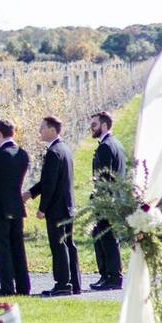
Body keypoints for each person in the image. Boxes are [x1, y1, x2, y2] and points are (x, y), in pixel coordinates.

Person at [23, 116, 80, 297]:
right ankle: (74, 283)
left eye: (42, 128)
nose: (40, 131)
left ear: (52, 130)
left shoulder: (53, 152)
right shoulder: (64, 150)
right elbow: (47, 181)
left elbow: (50, 184)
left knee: (59, 245)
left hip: (56, 208)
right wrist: (30, 193)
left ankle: (63, 283)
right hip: (67, 205)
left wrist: (42, 208)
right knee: (69, 244)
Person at [0, 119, 31, 297]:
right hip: (16, 205)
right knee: (17, 246)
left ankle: (7, 286)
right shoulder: (23, 154)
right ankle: (24, 286)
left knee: (2, 248)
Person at [88, 111, 126, 291]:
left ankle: (112, 277)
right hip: (115, 199)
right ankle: (107, 275)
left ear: (104, 125)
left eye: (94, 124)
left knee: (107, 239)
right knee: (103, 237)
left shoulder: (105, 147)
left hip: (106, 201)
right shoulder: (116, 144)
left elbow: (103, 177)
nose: (91, 128)